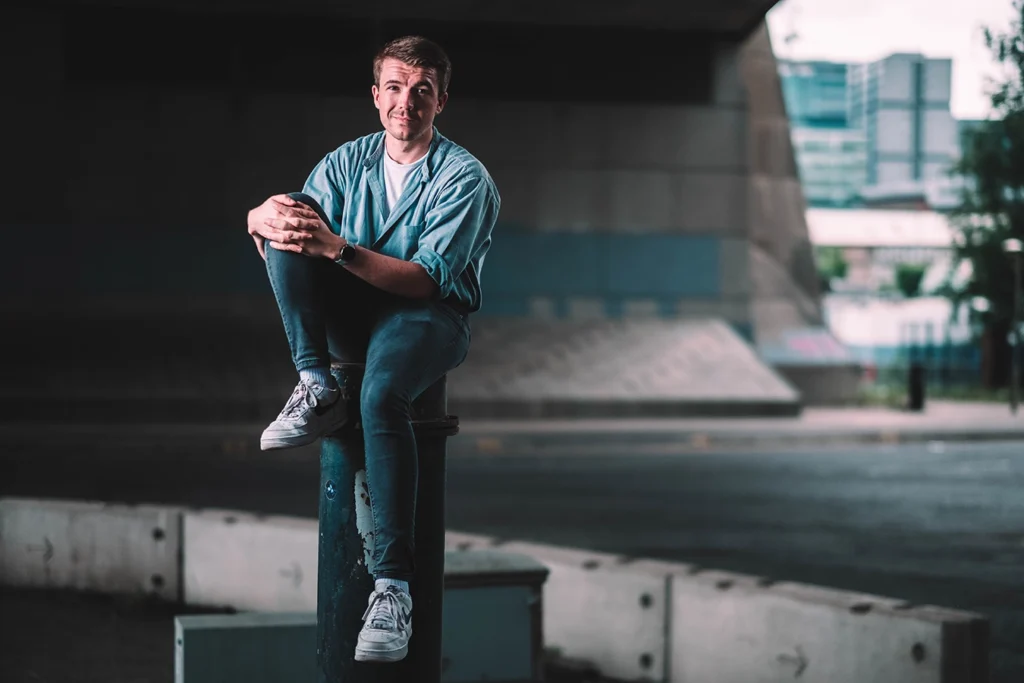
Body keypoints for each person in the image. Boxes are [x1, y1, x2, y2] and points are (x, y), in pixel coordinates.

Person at [245, 35, 499, 664]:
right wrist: (260, 217)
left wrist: (336, 249)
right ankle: (315, 382)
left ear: (441, 99)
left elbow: (422, 281)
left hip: (426, 318)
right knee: (291, 214)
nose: (405, 102)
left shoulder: (465, 177)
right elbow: (292, 236)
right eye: (394, 87)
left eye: (421, 90)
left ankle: (392, 589)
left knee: (383, 395)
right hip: (353, 317)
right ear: (376, 95)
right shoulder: (345, 162)